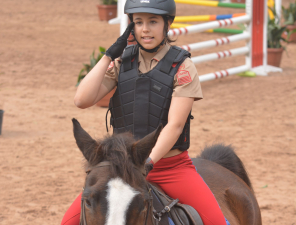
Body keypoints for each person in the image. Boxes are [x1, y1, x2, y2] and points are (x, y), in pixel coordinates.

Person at [62, 0, 228, 224]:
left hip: (170, 167)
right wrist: (108, 55)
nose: (145, 29)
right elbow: (81, 100)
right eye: (138, 22)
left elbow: (175, 125)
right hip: (119, 169)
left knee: (216, 221)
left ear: (167, 23)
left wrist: (147, 163)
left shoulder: (183, 67)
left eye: (153, 21)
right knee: (67, 222)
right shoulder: (122, 62)